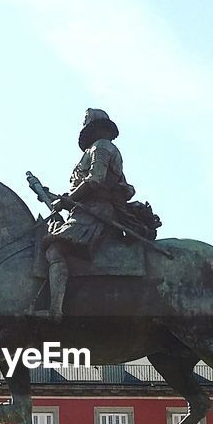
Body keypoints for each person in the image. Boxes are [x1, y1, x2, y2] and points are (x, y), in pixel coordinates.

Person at [32, 108, 137, 322]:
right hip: (86, 210)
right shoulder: (98, 149)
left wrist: (63, 201)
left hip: (97, 213)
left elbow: (95, 180)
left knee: (55, 248)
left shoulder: (102, 147)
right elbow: (79, 193)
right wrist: (49, 195)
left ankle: (55, 311)